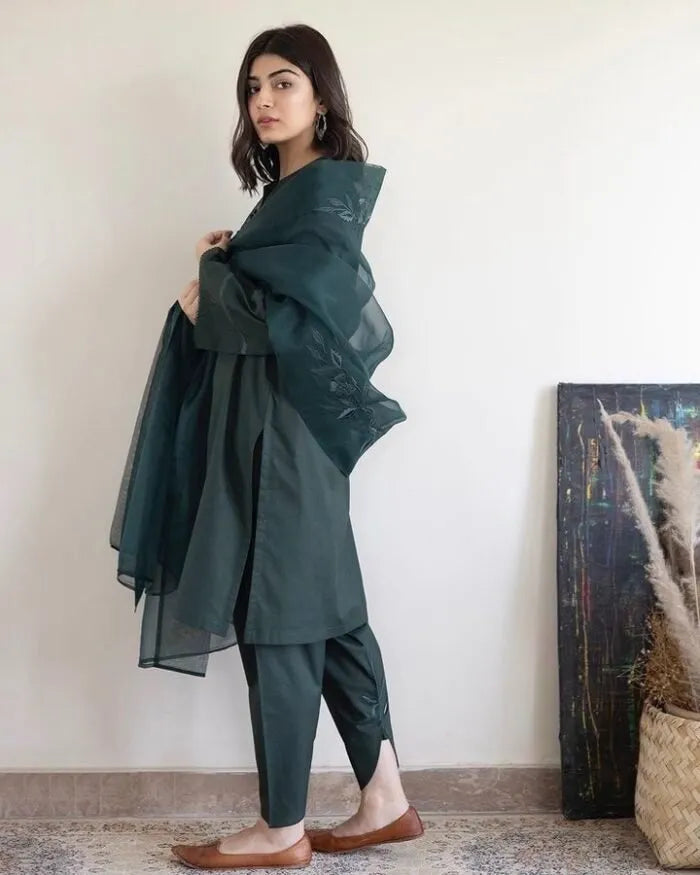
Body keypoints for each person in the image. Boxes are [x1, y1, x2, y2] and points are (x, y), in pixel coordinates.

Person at [110, 23, 423, 870]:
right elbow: (276, 301)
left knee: (278, 616)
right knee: (333, 610)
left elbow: (303, 317)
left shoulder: (323, 194)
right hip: (286, 431)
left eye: (284, 82)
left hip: (281, 436)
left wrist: (211, 281)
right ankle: (386, 798)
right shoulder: (290, 196)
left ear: (322, 96)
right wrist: (229, 260)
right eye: (253, 87)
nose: (264, 100)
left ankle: (282, 826)